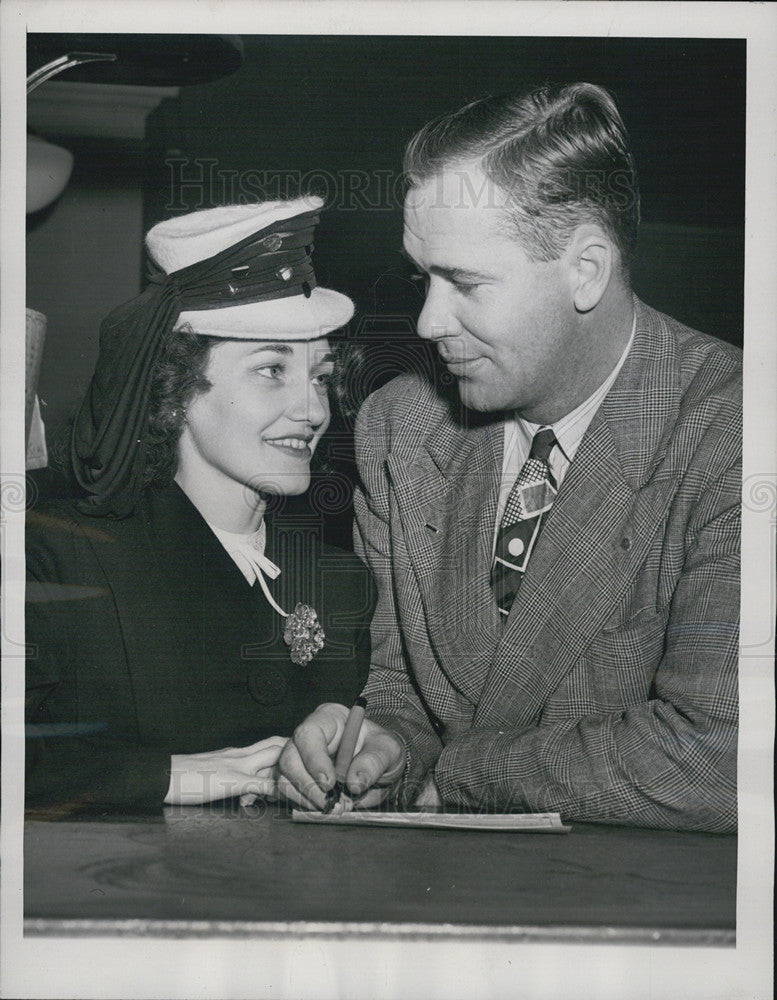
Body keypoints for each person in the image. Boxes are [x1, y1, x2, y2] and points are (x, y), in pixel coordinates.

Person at [278, 83, 741, 833]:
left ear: (584, 269)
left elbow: (718, 757)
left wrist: (456, 775)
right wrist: (380, 748)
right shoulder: (398, 427)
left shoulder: (732, 435)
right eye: (423, 277)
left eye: (464, 282)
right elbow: (405, 691)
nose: (428, 321)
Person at [25, 196, 374, 810]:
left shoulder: (338, 580)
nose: (314, 411)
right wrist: (172, 777)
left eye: (319, 376)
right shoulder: (57, 558)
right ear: (177, 390)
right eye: (272, 370)